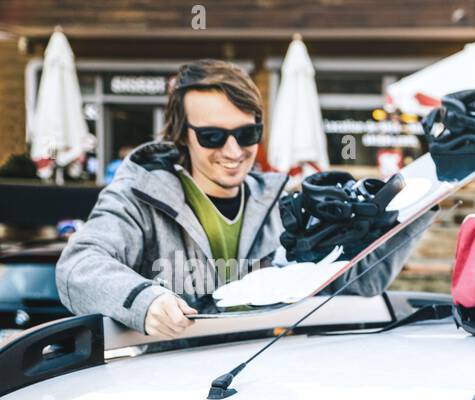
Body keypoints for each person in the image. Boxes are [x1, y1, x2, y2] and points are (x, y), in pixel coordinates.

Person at [56, 59, 429, 340]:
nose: (234, 151)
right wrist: (145, 301)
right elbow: (78, 267)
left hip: (252, 391)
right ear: (182, 135)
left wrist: (412, 208)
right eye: (213, 137)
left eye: (248, 133)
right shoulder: (139, 198)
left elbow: (354, 285)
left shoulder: (280, 204)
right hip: (164, 394)